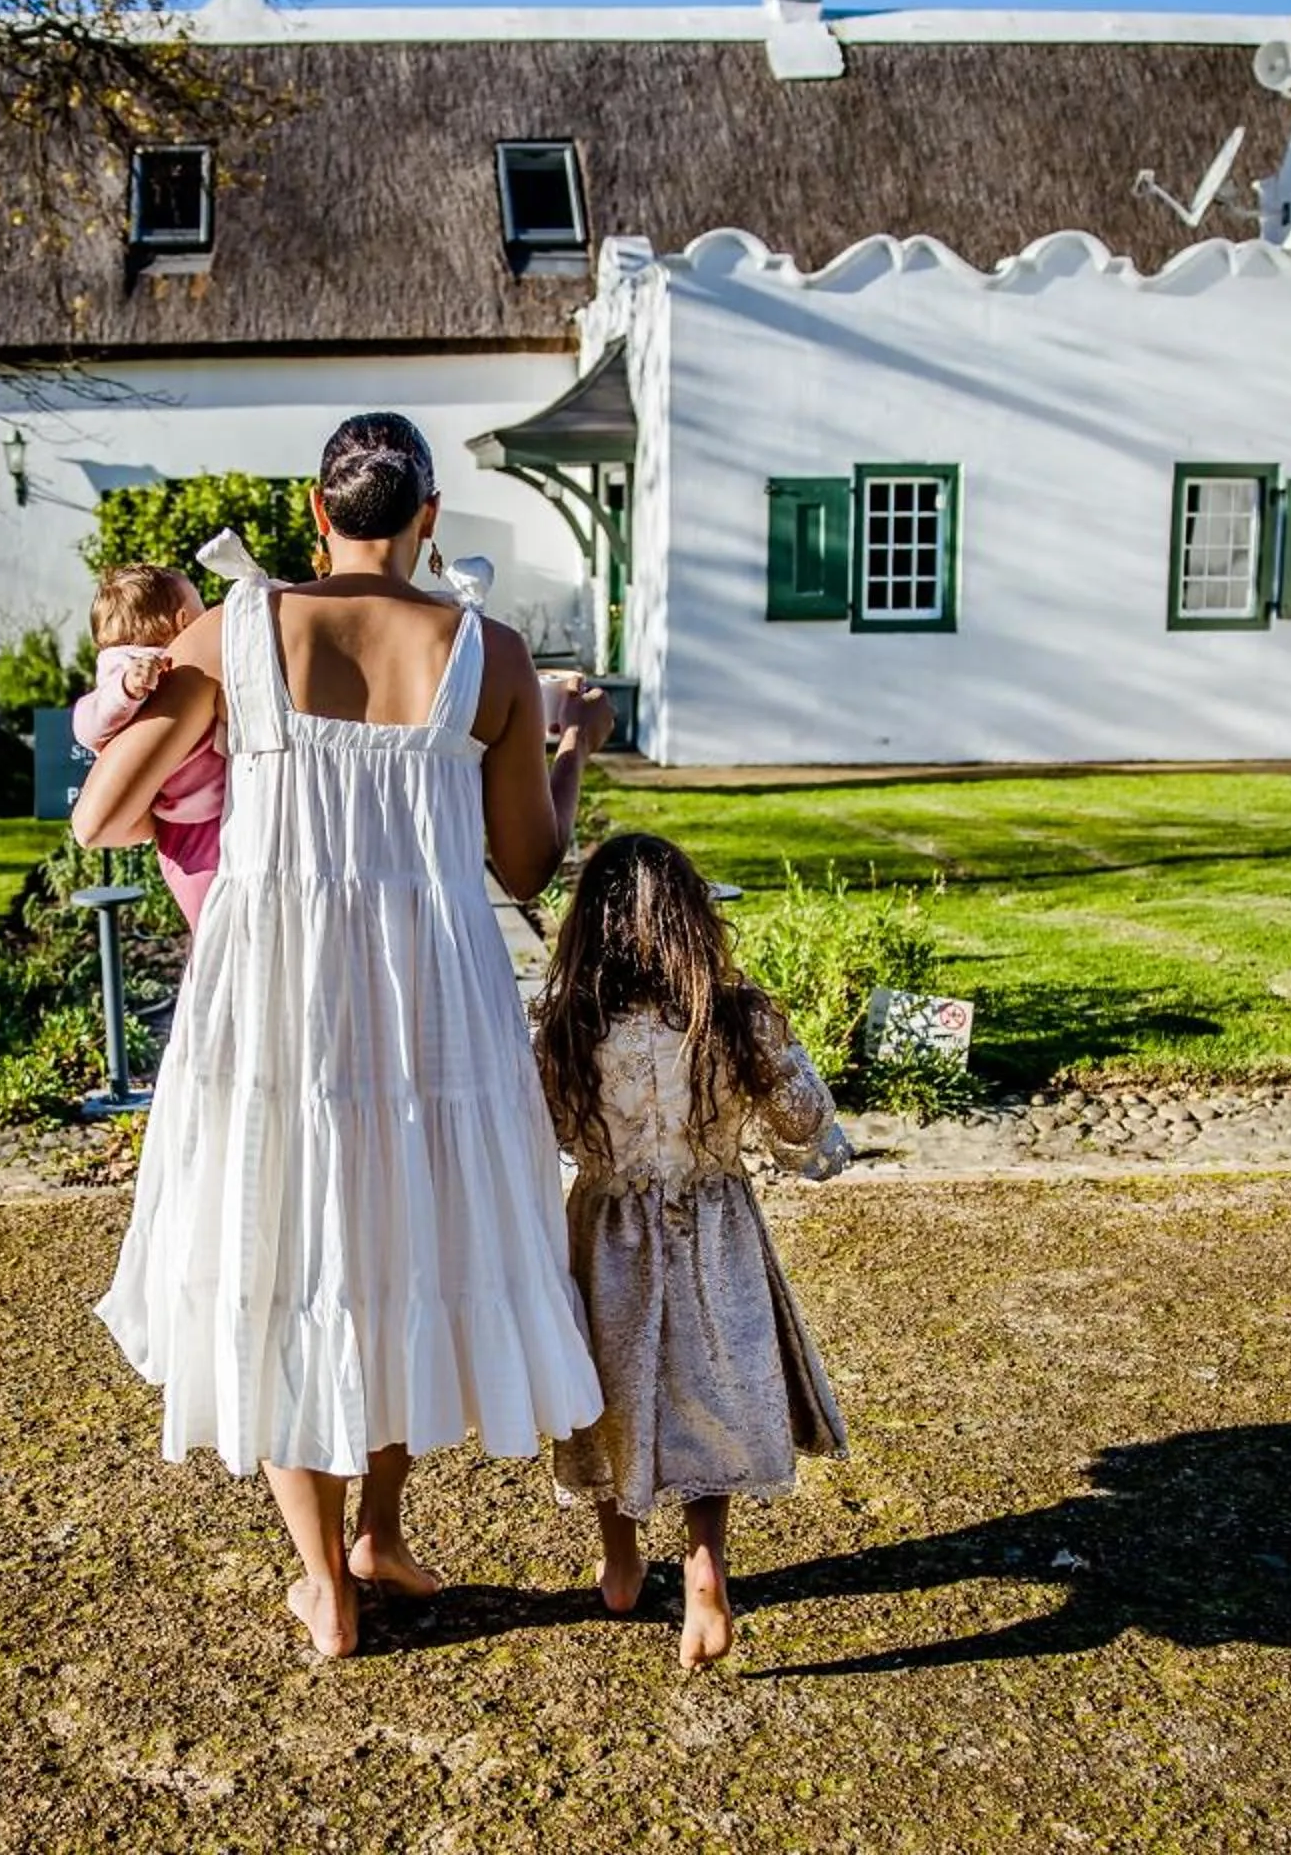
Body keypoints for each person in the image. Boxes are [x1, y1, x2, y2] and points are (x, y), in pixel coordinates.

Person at [75, 412, 614, 1660]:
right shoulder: (490, 654)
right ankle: (380, 1528)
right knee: (398, 1249)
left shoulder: (236, 630)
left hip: (275, 1003)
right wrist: (568, 752)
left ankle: (330, 1577)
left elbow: (106, 817)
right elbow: (528, 867)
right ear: (430, 522)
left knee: (282, 1256)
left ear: (317, 516)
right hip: (429, 1001)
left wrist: (145, 705)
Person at [529, 832, 853, 1669]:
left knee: (611, 1392)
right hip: (716, 1229)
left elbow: (540, 1131)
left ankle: (622, 1561)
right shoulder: (735, 1018)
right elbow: (805, 1124)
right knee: (708, 1386)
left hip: (607, 1233)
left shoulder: (565, 1026)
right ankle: (705, 1567)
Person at [70, 562, 221, 926]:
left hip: (207, 813)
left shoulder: (178, 669)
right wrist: (125, 689)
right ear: (184, 620)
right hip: (182, 824)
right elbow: (86, 724)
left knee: (225, 923)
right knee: (214, 922)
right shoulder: (127, 669)